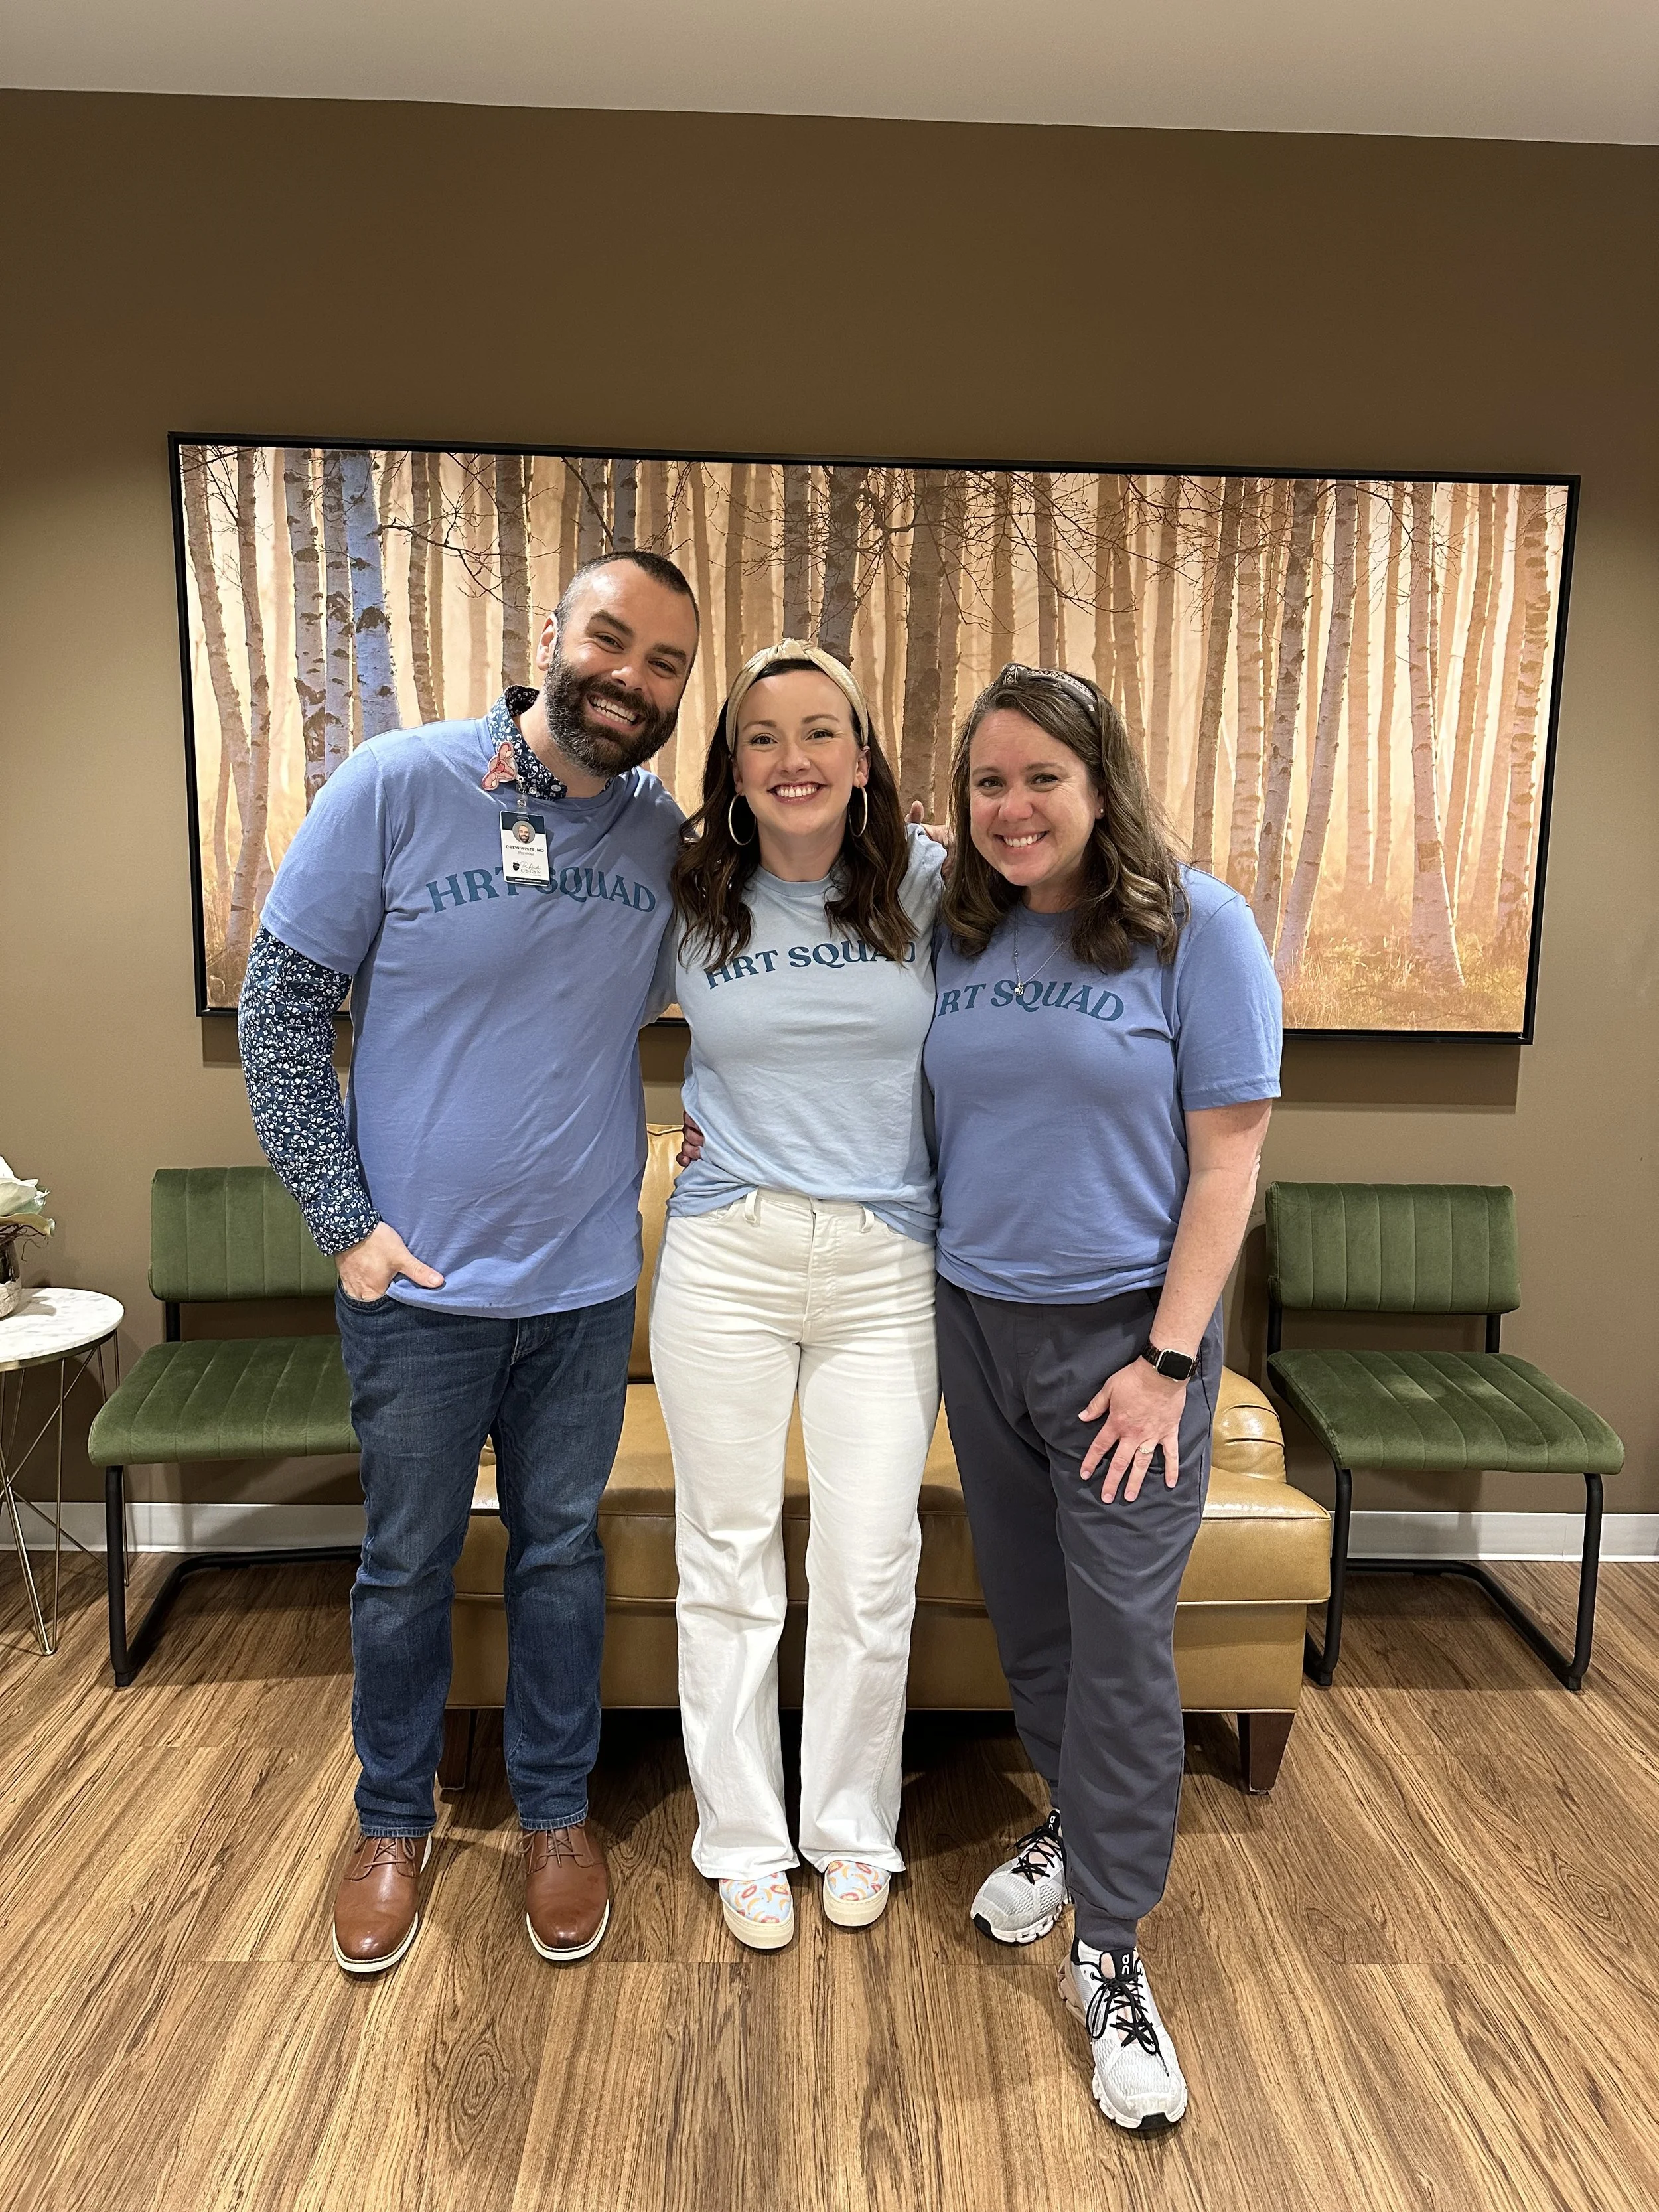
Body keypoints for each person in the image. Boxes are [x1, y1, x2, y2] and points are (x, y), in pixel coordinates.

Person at [240, 549, 699, 1976]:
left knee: (560, 1555)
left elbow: (775, 970)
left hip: (578, 1291)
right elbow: (282, 1007)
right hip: (419, 1292)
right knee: (403, 1565)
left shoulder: (660, 841)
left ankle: (557, 1814)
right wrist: (344, 1225)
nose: (629, 678)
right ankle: (391, 1820)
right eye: (610, 640)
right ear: (550, 636)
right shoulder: (396, 784)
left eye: (665, 662)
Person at [923, 664, 1280, 2134]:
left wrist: (1169, 1363)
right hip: (974, 1326)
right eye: (988, 782)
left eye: (1040, 780)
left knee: (1123, 1645)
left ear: (1098, 784)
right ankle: (1071, 1828)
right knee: (1037, 1623)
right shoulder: (955, 925)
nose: (1012, 809)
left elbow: (1226, 1165)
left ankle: (1113, 1950)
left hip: (1125, 1352)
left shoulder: (1198, 928)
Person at [650, 640, 945, 1951]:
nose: (792, 760)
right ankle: (743, 1841)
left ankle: (847, 1827)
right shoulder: (686, 892)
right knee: (723, 1557)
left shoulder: (929, 884)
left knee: (867, 1562)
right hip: (727, 1256)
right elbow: (556, 997)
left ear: (863, 759)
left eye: (819, 732)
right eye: (761, 737)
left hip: (886, 1267)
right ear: (730, 768)